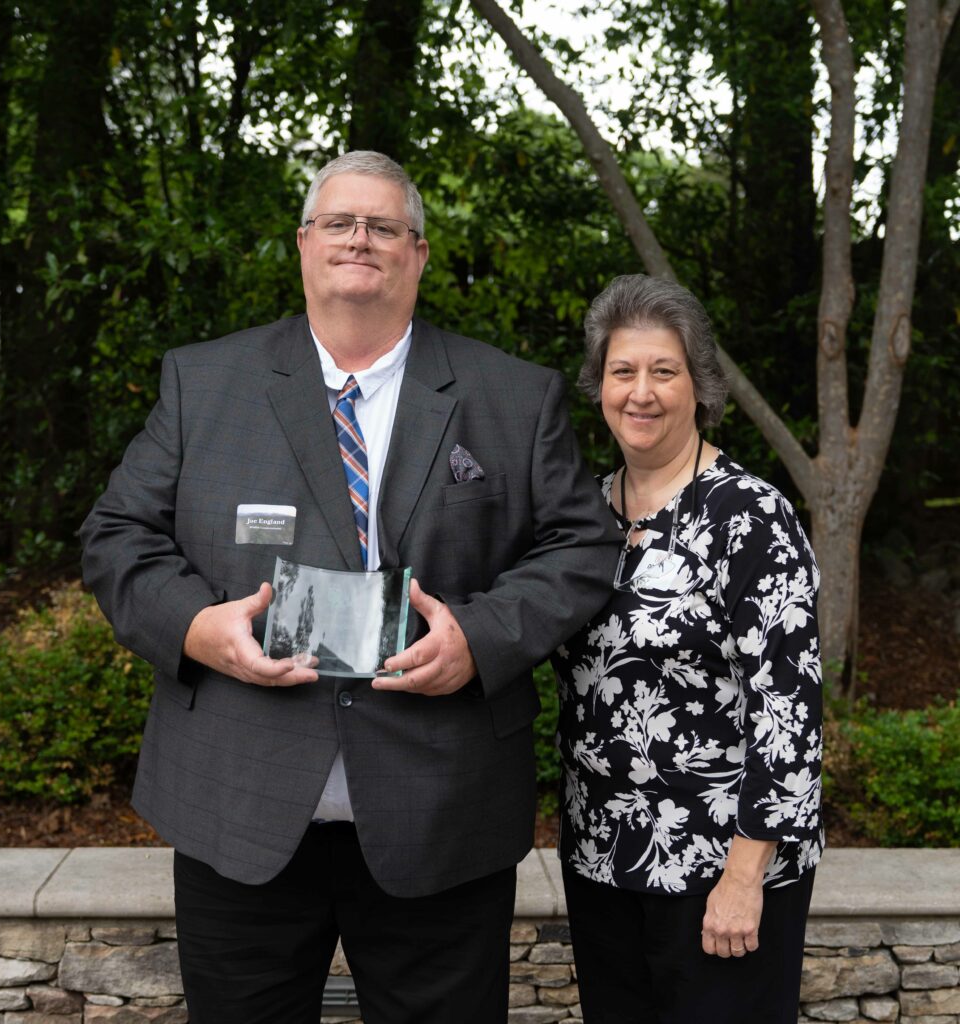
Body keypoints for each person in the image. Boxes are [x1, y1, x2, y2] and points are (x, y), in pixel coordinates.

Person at [80, 150, 619, 1024]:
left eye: (383, 226)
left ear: (419, 253)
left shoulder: (513, 397)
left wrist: (478, 641)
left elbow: (581, 549)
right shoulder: (204, 382)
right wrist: (197, 628)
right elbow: (115, 537)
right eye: (340, 222)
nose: (359, 239)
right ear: (304, 244)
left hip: (439, 810)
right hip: (240, 805)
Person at [553, 274, 824, 1024]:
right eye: (622, 371)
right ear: (599, 386)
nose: (641, 393)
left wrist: (745, 876)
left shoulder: (749, 519)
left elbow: (788, 714)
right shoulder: (584, 514)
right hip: (601, 860)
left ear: (699, 386)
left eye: (663, 371)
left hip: (718, 872)